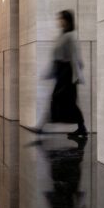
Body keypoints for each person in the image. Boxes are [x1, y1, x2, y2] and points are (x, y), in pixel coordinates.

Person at [30, 10, 88, 140]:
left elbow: (76, 57)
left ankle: (41, 127)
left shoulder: (70, 36)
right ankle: (81, 127)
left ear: (67, 20)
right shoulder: (62, 36)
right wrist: (49, 73)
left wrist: (76, 75)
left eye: (61, 19)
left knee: (62, 100)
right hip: (61, 72)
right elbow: (55, 58)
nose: (59, 21)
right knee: (65, 101)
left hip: (67, 74)